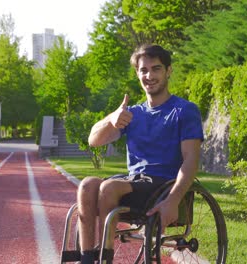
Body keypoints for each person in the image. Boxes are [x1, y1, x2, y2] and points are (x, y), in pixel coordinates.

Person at [76, 44, 204, 263]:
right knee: (87, 185)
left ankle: (104, 258)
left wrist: (173, 200)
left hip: (163, 184)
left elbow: (191, 160)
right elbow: (93, 140)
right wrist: (111, 119)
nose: (149, 75)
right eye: (144, 70)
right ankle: (87, 258)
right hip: (134, 181)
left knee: (108, 187)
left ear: (168, 71)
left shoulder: (185, 110)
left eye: (156, 69)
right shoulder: (132, 113)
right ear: (137, 73)